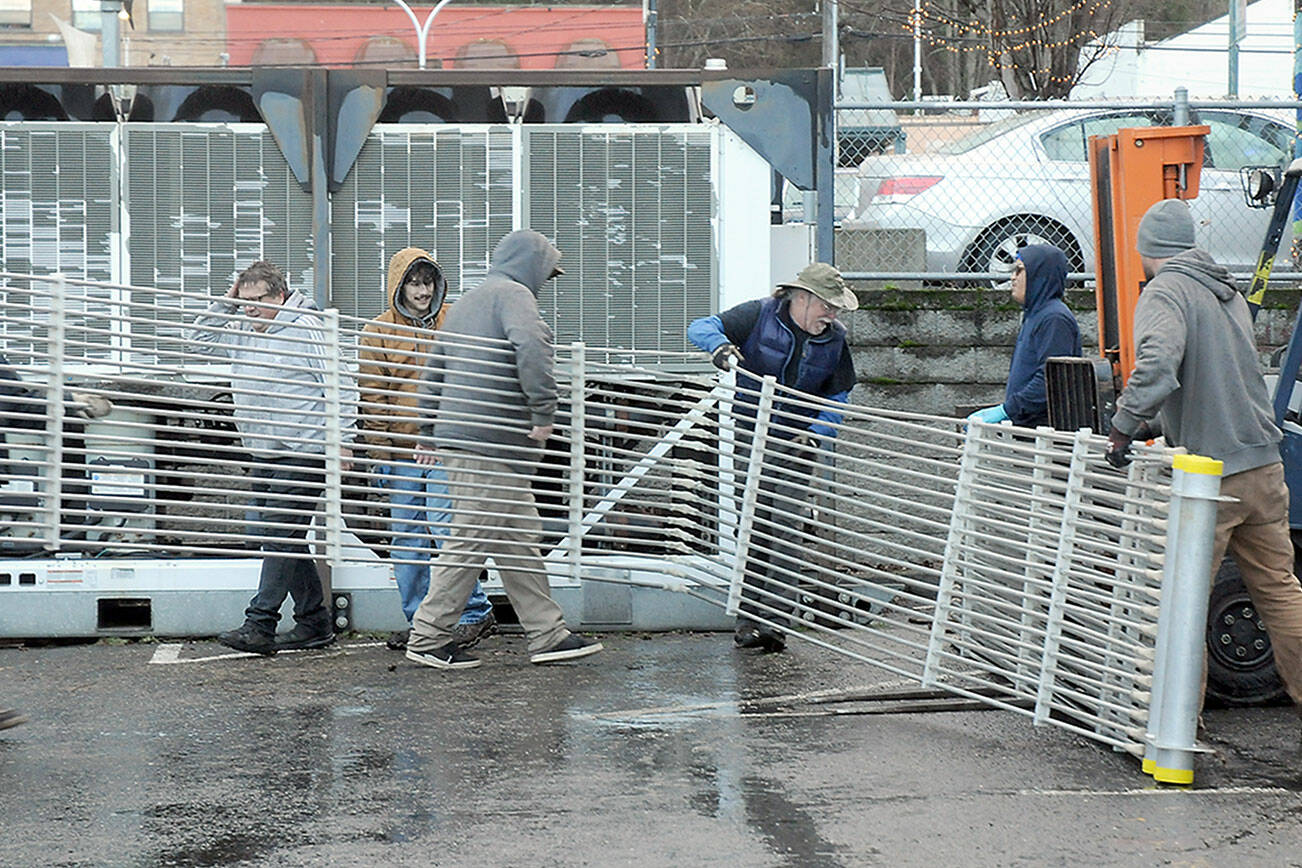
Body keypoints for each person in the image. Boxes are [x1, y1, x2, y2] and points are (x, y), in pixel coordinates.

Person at [1105, 197, 1302, 709]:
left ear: (1145, 249)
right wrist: (1154, 419)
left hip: (1211, 475)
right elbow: (1213, 377)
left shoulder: (1165, 290)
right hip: (1263, 464)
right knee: (1280, 592)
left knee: (1182, 600)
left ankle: (1174, 730)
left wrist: (1123, 428)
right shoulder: (1227, 293)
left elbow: (1157, 363)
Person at [405, 229, 603, 670]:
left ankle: (547, 634)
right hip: (490, 443)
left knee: (518, 541)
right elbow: (532, 346)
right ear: (531, 264)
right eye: (546, 272)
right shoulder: (514, 296)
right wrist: (543, 411)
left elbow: (435, 368)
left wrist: (428, 429)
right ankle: (428, 637)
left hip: (470, 441)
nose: (547, 282)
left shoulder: (468, 303)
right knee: (470, 538)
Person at [687, 262, 858, 653]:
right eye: (826, 307)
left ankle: (776, 622)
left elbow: (838, 396)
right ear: (801, 298)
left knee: (786, 525)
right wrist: (721, 347)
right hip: (751, 433)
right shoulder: (758, 314)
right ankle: (748, 621)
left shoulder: (835, 340)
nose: (831, 316)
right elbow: (700, 327)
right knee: (753, 523)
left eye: (835, 309)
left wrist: (817, 436)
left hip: (799, 441)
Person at [190, 261, 355, 656]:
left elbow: (341, 383)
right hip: (264, 451)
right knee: (275, 534)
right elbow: (196, 340)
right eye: (243, 300)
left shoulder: (306, 327)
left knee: (280, 531)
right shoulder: (240, 328)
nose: (250, 308)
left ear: (280, 296)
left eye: (258, 300)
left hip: (305, 449)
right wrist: (225, 304)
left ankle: (260, 623)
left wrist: (343, 440)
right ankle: (314, 621)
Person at [358, 247, 496, 653]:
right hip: (401, 453)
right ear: (398, 286)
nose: (422, 290)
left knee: (447, 529)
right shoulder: (377, 331)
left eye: (428, 282)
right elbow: (373, 397)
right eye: (414, 282)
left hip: (447, 448)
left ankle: (473, 613)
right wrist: (380, 457)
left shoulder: (456, 320)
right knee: (407, 539)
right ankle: (421, 623)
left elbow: (471, 378)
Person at [968, 244, 1081, 427]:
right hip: (1028, 429)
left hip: (1044, 434)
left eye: (1019, 271)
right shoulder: (1035, 315)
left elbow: (1051, 379)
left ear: (1040, 276)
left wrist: (1007, 410)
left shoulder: (1054, 319)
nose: (1013, 277)